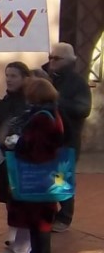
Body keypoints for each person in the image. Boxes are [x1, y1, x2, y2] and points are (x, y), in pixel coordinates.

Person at [6, 77, 66, 253]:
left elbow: (38, 149)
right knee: (37, 223)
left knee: (39, 223)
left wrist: (17, 143)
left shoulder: (42, 117)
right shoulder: (51, 113)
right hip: (46, 176)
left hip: (38, 177)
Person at [0, 62, 32, 253]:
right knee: (10, 204)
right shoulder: (6, 100)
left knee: (22, 206)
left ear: (26, 78)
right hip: (5, 160)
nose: (9, 79)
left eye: (14, 75)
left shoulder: (29, 103)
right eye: (7, 75)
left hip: (22, 161)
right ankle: (12, 245)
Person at [44, 42, 91, 232]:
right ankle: (50, 212)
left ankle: (64, 217)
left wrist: (56, 100)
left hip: (67, 139)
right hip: (47, 138)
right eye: (50, 57)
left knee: (61, 179)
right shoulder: (46, 77)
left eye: (57, 58)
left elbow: (83, 109)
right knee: (47, 177)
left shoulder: (77, 82)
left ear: (69, 61)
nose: (52, 62)